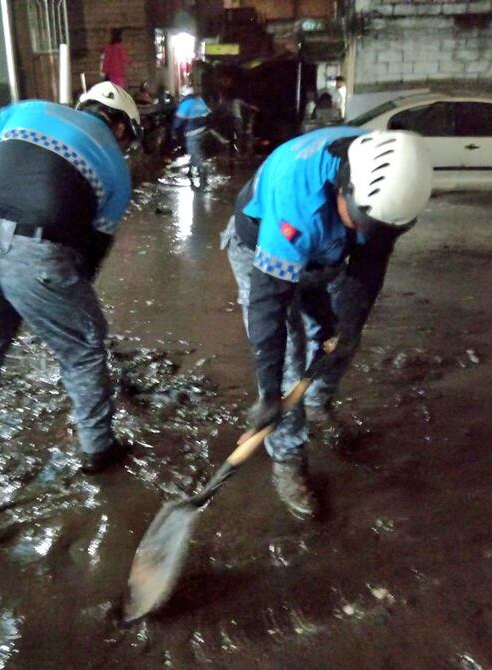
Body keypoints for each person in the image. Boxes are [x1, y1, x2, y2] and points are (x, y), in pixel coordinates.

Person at [0, 82, 142, 495]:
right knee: (83, 349)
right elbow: (91, 251)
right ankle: (97, 448)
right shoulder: (118, 171)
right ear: (120, 127)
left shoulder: (26, 110)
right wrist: (60, 299)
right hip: (40, 253)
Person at [221, 128, 433, 519]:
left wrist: (343, 326)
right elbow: (270, 303)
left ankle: (316, 401)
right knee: (289, 358)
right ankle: (287, 456)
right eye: (361, 221)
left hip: (327, 254)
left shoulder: (386, 192)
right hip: (262, 247)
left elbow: (368, 271)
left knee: (339, 337)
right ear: (343, 186)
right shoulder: (296, 199)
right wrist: (269, 395)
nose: (366, 232)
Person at [172, 84, 212, 187]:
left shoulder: (186, 103)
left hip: (193, 132)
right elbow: (209, 113)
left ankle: (203, 170)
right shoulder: (199, 101)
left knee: (193, 152)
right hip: (204, 131)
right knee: (197, 151)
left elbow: (178, 121)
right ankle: (192, 170)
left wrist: (174, 131)